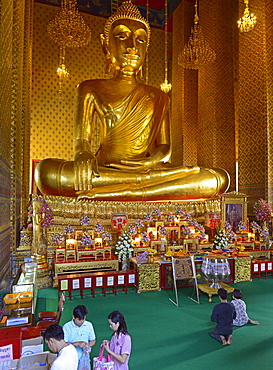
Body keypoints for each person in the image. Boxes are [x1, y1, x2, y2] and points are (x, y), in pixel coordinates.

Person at [35, 0, 229, 202]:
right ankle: (138, 190)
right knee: (46, 172)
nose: (132, 47)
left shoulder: (160, 96)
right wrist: (83, 155)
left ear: (147, 48)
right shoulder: (90, 88)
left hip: (149, 171)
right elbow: (82, 140)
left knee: (215, 179)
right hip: (106, 171)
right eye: (121, 36)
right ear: (105, 44)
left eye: (141, 40)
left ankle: (129, 192)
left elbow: (164, 147)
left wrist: (151, 162)